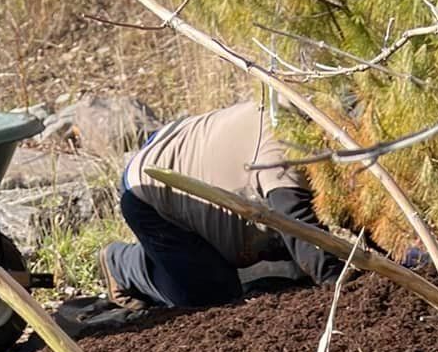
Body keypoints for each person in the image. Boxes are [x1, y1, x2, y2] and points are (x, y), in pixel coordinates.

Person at [99, 98, 343, 311]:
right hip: (151, 187)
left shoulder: (312, 124)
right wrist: (342, 288)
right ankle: (123, 265)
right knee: (213, 298)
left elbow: (355, 211)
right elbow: (301, 230)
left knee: (281, 263)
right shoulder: (285, 153)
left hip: (199, 162)